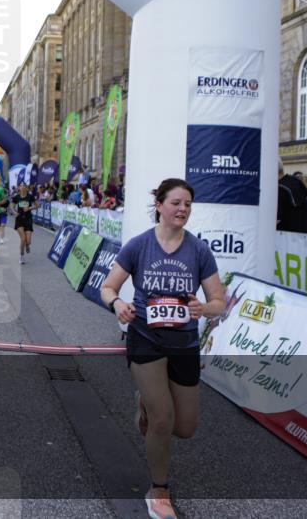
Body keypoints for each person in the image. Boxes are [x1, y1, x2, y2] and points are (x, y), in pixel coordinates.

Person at [99, 178, 227, 519]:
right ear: (159, 206)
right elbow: (108, 287)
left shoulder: (198, 250)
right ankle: (159, 490)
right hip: (146, 338)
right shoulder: (140, 245)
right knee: (162, 420)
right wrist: (117, 305)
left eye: (187, 204)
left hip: (184, 342)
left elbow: (219, 301)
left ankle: (144, 404)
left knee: (184, 428)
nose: (182, 209)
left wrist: (204, 308)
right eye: (176, 203)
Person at [276, 162, 307, 233]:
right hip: (304, 234)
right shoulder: (295, 181)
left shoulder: (280, 188)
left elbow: (277, 219)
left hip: (287, 236)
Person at [11, 182, 35, 264]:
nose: (22, 187)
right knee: (23, 239)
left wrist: (29, 208)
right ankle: (21, 256)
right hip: (19, 219)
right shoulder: (16, 197)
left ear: (26, 188)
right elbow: (11, 206)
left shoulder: (30, 196)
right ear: (19, 188)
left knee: (28, 241)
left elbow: (38, 205)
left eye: (24, 186)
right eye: (21, 186)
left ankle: (27, 245)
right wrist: (14, 212)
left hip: (28, 219)